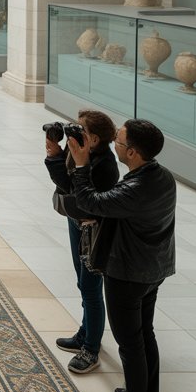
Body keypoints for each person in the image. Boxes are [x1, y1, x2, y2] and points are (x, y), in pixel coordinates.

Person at [68, 119, 176, 392]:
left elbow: (89, 202)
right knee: (145, 335)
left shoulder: (135, 189)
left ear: (131, 152)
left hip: (128, 273)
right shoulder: (162, 176)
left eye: (119, 139)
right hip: (153, 269)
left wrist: (81, 164)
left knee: (130, 344)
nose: (114, 141)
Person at [45, 110, 119, 375]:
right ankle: (85, 332)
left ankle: (91, 348)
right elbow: (65, 185)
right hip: (76, 221)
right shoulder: (82, 152)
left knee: (90, 287)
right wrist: (55, 154)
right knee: (82, 281)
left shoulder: (104, 165)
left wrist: (80, 163)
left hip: (93, 228)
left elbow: (81, 193)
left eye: (80, 129)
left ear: (95, 139)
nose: (74, 132)